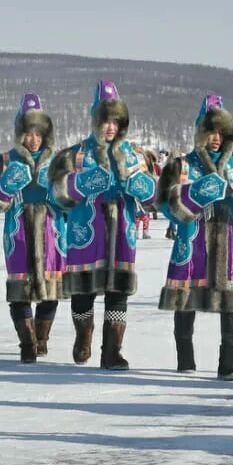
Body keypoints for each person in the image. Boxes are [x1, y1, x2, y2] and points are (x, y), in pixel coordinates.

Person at [158, 95, 233, 380]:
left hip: (229, 245)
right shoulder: (181, 166)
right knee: (185, 302)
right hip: (192, 242)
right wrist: (193, 194)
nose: (216, 138)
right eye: (210, 130)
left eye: (221, 132)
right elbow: (164, 206)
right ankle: (185, 359)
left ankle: (228, 362)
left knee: (231, 305)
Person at [49, 80, 157, 369]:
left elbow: (155, 197)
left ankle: (112, 351)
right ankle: (83, 336)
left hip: (122, 230)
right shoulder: (75, 155)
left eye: (115, 121)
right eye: (105, 120)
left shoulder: (135, 154)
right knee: (83, 293)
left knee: (117, 293)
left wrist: (139, 184)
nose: (110, 127)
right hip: (86, 231)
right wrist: (80, 183)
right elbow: (54, 195)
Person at [0, 94, 68, 362]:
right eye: (28, 133)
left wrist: (57, 193)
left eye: (38, 134)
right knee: (19, 292)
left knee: (51, 291)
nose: (34, 139)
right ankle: (27, 343)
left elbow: (75, 201)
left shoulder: (60, 162)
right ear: (20, 134)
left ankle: (42, 339)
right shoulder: (4, 161)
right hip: (18, 232)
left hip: (52, 233)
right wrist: (4, 187)